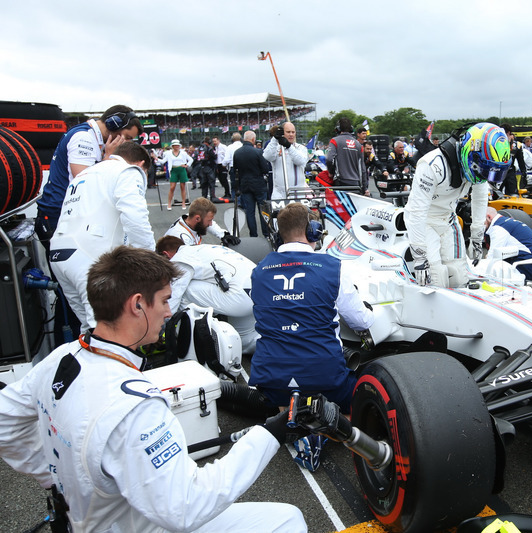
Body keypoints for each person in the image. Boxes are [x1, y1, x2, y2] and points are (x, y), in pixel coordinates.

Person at [0, 246, 307, 533]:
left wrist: (55, 476)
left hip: (82, 518)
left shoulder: (62, 357)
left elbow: (5, 421)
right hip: (134, 525)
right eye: (163, 300)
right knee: (288, 522)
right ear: (136, 304)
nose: (169, 312)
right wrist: (270, 435)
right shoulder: (133, 405)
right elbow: (186, 506)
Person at [249, 203, 374, 471]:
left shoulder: (258, 272)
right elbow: (362, 320)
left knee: (288, 391)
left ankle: (294, 422)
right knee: (367, 390)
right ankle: (322, 427)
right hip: (325, 379)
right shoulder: (333, 267)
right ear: (313, 231)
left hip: (272, 381)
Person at [49, 141, 155, 332]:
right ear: (140, 165)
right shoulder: (128, 171)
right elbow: (135, 216)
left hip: (60, 253)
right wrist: (151, 260)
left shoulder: (84, 174)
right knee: (107, 329)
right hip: (90, 256)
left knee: (90, 328)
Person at [405, 122, 511, 288]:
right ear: (471, 153)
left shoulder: (480, 166)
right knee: (436, 278)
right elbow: (417, 211)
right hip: (424, 220)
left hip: (448, 218)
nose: (485, 176)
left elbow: (480, 197)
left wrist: (477, 237)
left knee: (459, 276)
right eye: (485, 170)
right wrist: (419, 255)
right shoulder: (432, 165)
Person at [35, 105, 142, 254]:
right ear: (113, 124)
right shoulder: (84, 138)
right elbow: (85, 181)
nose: (127, 143)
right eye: (128, 137)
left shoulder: (90, 136)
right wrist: (108, 158)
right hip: (58, 215)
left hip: (64, 213)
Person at [156, 236, 258, 354]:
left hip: (239, 297)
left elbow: (173, 299)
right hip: (258, 293)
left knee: (185, 291)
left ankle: (189, 343)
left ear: (166, 255)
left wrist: (157, 330)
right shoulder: (204, 249)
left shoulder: (180, 259)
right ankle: (273, 347)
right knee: (243, 342)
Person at [484, 207, 532, 286]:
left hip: (527, 264)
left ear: (489, 217)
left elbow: (492, 258)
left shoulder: (498, 228)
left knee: (495, 272)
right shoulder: (507, 222)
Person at [234, 131, 272, 238]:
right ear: (253, 139)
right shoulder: (258, 152)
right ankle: (266, 234)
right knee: (262, 211)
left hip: (245, 185)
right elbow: (265, 169)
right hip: (259, 185)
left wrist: (236, 187)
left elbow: (235, 171)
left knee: (250, 212)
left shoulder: (237, 153)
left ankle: (253, 235)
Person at [165, 197, 239, 246]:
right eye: (209, 220)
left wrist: (224, 235)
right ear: (197, 219)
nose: (210, 224)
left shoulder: (190, 218)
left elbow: (211, 225)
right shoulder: (182, 239)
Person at [263, 122, 308, 200]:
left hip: (298, 193)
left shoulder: (301, 148)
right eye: (288, 132)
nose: (291, 134)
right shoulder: (276, 148)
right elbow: (267, 156)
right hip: (280, 193)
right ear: (282, 133)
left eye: (293, 132)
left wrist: (289, 147)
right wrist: (274, 139)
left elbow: (300, 161)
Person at [327, 117, 369, 195]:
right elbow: (363, 168)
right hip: (355, 183)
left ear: (338, 129)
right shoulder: (358, 145)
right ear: (351, 129)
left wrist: (331, 172)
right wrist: (364, 188)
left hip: (340, 182)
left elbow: (329, 159)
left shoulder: (334, 141)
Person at [159, 139, 193, 211]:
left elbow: (191, 159)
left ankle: (183, 203)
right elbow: (163, 161)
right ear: (173, 146)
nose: (177, 146)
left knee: (182, 187)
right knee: (172, 187)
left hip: (182, 169)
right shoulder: (168, 153)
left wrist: (187, 165)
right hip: (174, 170)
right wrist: (155, 158)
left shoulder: (183, 153)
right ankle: (169, 203)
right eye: (175, 145)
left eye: (178, 145)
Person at [500, 123, 526, 195]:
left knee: (512, 193)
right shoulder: (496, 143)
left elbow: (521, 160)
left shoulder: (516, 145)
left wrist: (524, 172)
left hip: (510, 172)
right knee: (496, 193)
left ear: (508, 133)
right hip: (499, 171)